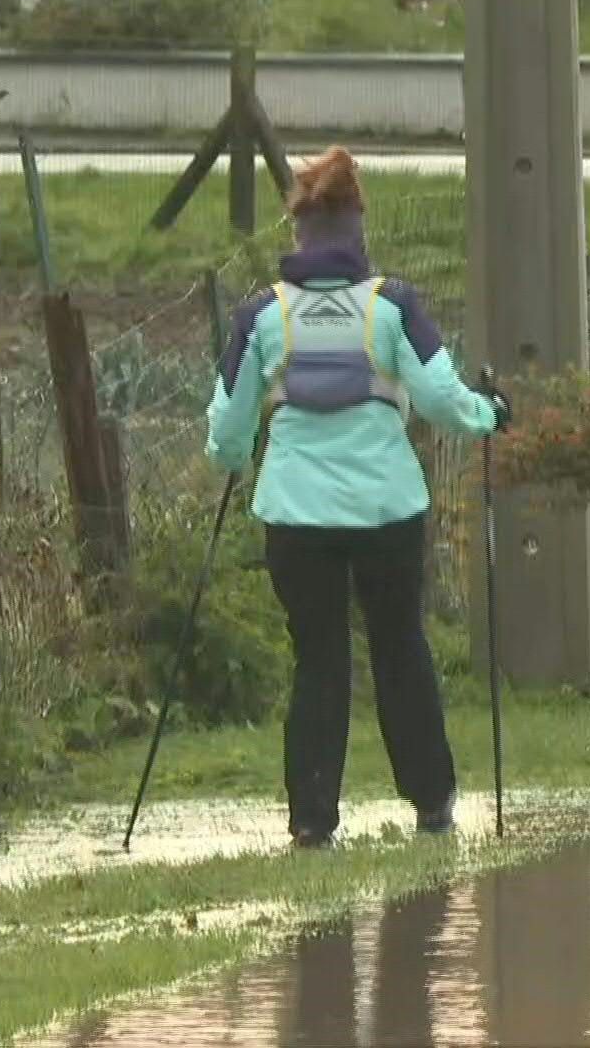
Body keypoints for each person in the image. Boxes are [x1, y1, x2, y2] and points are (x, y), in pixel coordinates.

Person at [205, 147, 512, 850]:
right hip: (387, 512)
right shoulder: (391, 305)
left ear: (299, 232)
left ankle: (313, 819)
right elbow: (441, 400)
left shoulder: (262, 315)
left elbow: (226, 427)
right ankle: (432, 806)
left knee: (318, 659)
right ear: (358, 227)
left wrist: (230, 458)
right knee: (400, 646)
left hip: (294, 514)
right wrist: (489, 415)